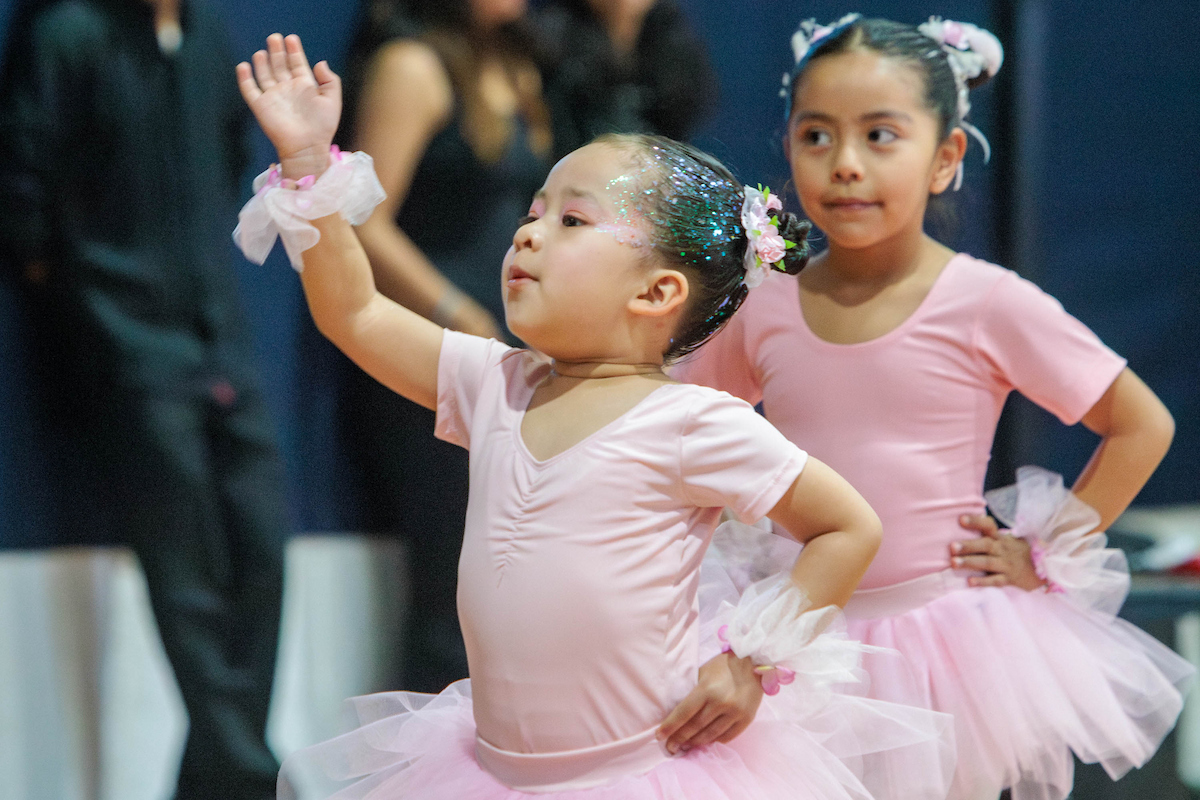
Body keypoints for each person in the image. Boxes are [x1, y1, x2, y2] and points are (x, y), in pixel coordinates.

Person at [232, 33, 955, 800]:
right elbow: (356, 314)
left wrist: (753, 664)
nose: (528, 232)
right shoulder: (494, 383)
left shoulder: (693, 422)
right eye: (533, 211)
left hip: (638, 773)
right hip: (489, 774)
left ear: (656, 294)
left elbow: (848, 528)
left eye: (571, 222)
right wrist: (310, 164)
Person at [673, 14, 1194, 800]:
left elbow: (1142, 422)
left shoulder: (986, 302)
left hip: (943, 643)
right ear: (788, 147)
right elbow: (674, 427)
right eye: (817, 137)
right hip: (792, 645)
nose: (845, 165)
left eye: (881, 136)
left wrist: (1046, 550)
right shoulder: (762, 306)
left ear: (946, 157)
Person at [0, 0, 290, 798]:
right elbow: (26, 183)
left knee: (262, 554)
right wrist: (83, 304)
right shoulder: (71, 34)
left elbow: (231, 154)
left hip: (220, 333)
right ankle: (248, 774)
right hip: (126, 341)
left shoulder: (204, 37)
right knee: (185, 572)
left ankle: (223, 775)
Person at [336, 0, 553, 693]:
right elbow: (364, 218)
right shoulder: (411, 66)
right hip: (432, 355)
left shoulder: (515, 63)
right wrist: (455, 311)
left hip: (509, 348)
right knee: (451, 575)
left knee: (509, 574)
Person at [533, 0, 716, 159]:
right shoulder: (556, 31)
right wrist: (619, 26)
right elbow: (571, 120)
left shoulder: (668, 27)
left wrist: (633, 24)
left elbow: (683, 109)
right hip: (582, 167)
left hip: (657, 168)